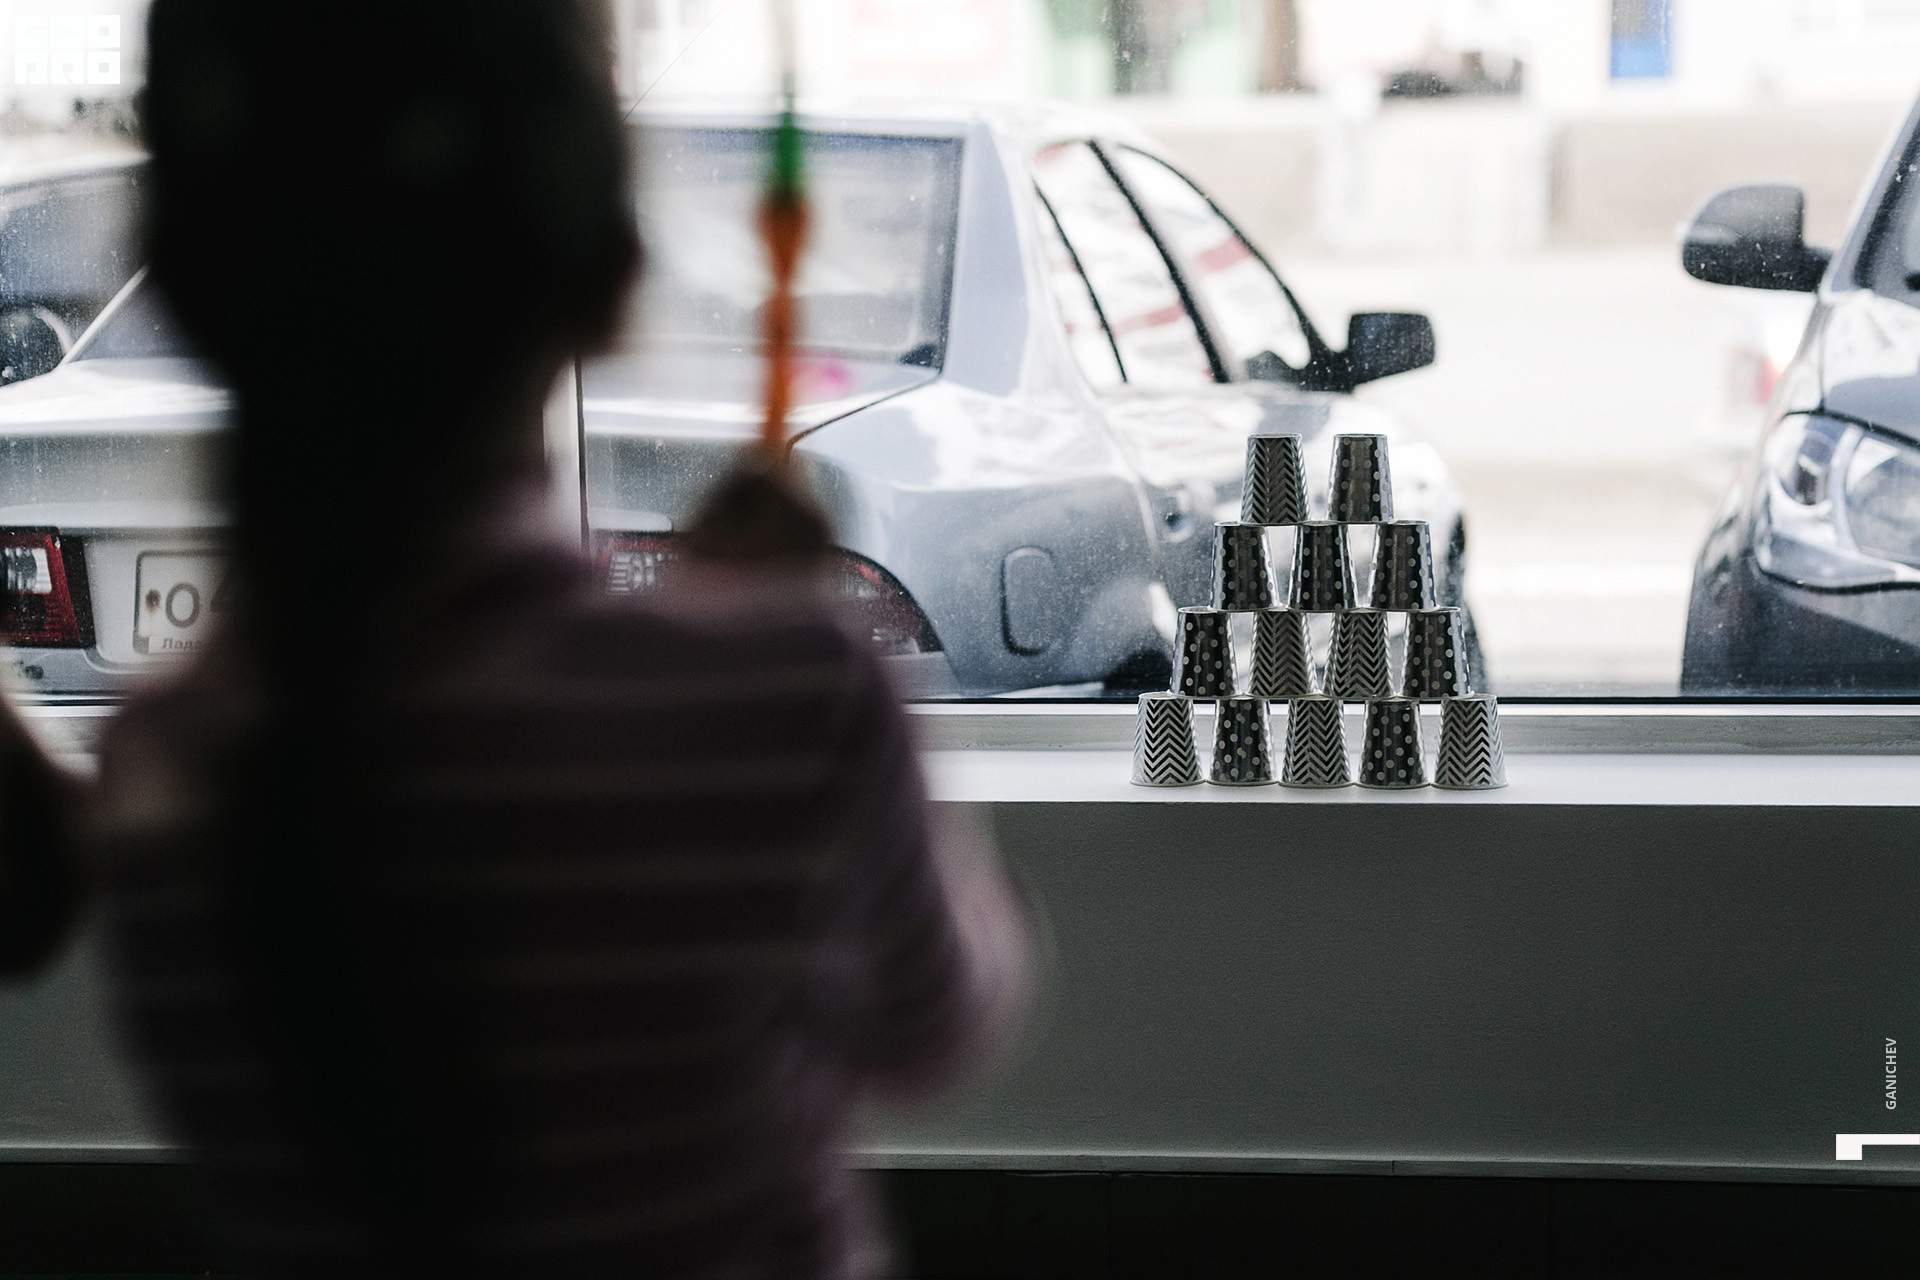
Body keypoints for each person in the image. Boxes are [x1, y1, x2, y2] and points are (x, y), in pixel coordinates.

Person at [0, 0, 1032, 1274]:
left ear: (188, 286)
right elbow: (939, 1025)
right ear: (614, 272)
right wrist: (765, 648)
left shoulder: (167, 782)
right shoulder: (786, 698)